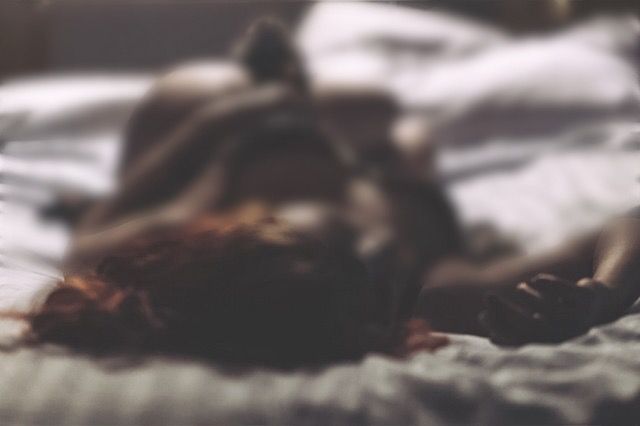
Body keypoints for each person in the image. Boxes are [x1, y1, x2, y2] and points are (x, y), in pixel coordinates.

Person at [19, 20, 640, 367]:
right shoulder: (429, 285)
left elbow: (97, 239)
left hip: (230, 174)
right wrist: (601, 294)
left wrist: (223, 129)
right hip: (372, 179)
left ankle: (265, 95)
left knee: (196, 97)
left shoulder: (171, 241)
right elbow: (623, 221)